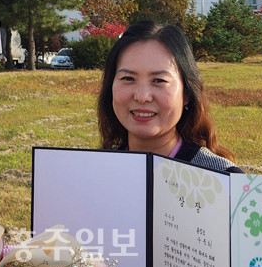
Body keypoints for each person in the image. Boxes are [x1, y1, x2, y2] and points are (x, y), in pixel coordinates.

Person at [97, 20, 243, 173]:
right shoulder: (94, 172)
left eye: (159, 81)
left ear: (187, 93)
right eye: (128, 78)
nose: (142, 97)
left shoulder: (223, 181)